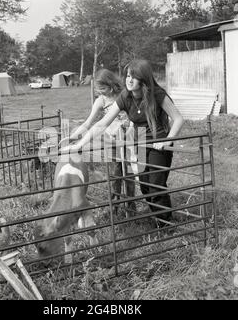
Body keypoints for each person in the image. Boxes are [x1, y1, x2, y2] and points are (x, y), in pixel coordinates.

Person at [62, 59, 184, 226]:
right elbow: (101, 124)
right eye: (127, 75)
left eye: (134, 77)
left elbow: (178, 119)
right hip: (140, 144)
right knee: (146, 187)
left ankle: (166, 224)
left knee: (156, 185)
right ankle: (161, 216)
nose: (129, 80)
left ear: (144, 80)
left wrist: (168, 141)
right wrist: (78, 145)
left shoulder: (157, 95)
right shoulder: (125, 96)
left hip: (158, 144)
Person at [69, 68, 136, 211]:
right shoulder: (101, 101)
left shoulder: (124, 95)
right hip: (112, 142)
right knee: (115, 175)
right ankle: (115, 206)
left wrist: (130, 126)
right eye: (99, 90)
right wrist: (72, 137)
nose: (101, 92)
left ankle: (131, 206)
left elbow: (134, 115)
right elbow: (88, 123)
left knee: (129, 174)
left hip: (129, 139)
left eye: (103, 88)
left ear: (111, 84)